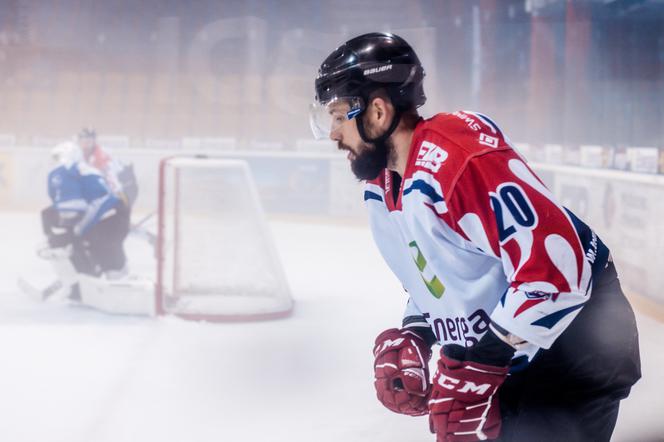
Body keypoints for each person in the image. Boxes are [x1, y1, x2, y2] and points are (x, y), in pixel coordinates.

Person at [310, 32, 640, 442]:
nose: (332, 134)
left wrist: (485, 359)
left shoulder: (456, 158)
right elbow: (446, 272)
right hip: (515, 353)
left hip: (575, 349)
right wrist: (418, 332)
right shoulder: (384, 186)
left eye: (340, 116)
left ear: (377, 112)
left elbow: (558, 272)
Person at [41, 141, 130, 298]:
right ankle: (109, 281)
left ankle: (89, 283)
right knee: (104, 257)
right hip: (116, 215)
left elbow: (72, 208)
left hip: (108, 217)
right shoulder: (84, 170)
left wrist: (67, 234)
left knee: (89, 245)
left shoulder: (67, 170)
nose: (55, 162)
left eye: (57, 157)